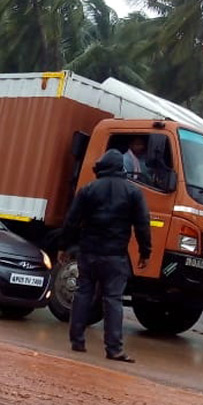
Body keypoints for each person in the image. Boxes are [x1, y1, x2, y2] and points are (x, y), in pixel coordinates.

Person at [61, 148, 152, 362]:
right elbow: (142, 225)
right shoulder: (133, 192)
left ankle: (77, 340)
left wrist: (63, 246)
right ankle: (114, 349)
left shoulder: (88, 189)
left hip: (89, 252)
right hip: (115, 256)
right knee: (113, 300)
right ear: (121, 168)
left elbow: (71, 220)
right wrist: (145, 251)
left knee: (83, 293)